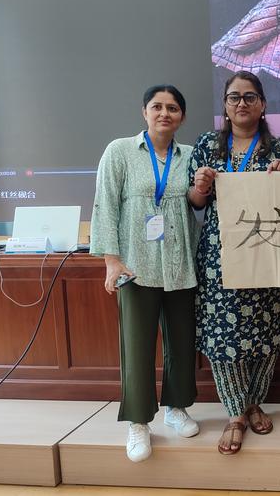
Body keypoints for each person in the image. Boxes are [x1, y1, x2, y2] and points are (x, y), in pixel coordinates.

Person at [188, 71, 280, 455]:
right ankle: (236, 413)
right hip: (219, 256)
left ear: (263, 104)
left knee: (267, 331)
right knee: (224, 335)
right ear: (225, 105)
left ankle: (254, 402)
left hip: (268, 251)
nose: (241, 103)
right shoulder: (207, 146)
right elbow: (196, 202)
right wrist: (200, 186)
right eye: (234, 97)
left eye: (250, 97)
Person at [90, 85, 200, 463]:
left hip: (180, 263)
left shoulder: (190, 156)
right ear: (145, 112)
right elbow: (105, 204)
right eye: (157, 106)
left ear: (182, 116)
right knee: (137, 346)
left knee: (182, 342)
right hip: (135, 265)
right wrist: (111, 260)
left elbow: (198, 201)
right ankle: (138, 422)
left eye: (173, 108)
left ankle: (176, 408)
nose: (164, 113)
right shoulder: (120, 151)